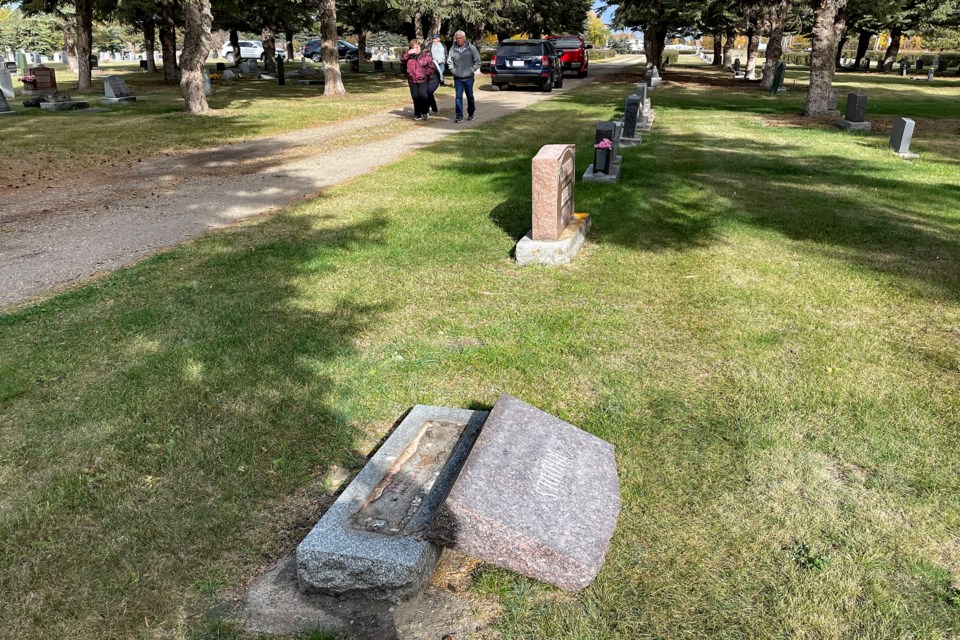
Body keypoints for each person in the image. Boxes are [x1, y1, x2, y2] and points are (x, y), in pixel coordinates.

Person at [446, 30, 481, 123]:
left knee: (470, 96)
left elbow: (478, 61)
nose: (459, 40)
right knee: (458, 97)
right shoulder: (452, 49)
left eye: (460, 38)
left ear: (464, 38)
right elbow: (449, 62)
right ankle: (459, 116)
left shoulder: (471, 48)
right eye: (457, 38)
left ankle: (471, 112)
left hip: (469, 77)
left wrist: (471, 70)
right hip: (458, 78)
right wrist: (453, 71)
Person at [400, 39, 434, 121]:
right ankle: (417, 113)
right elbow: (402, 59)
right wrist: (408, 53)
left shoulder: (426, 56)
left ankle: (425, 112)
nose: (417, 49)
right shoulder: (408, 56)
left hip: (423, 79)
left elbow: (431, 67)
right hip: (412, 79)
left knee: (423, 95)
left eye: (418, 47)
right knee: (415, 97)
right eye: (414, 47)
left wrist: (426, 73)